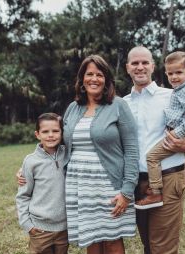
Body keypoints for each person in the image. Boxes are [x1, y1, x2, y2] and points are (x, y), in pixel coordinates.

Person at [19, 55, 140, 254]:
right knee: (91, 239)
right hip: (80, 187)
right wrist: (28, 164)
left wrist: (127, 191)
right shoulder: (73, 109)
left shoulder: (118, 106)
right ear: (82, 79)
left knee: (112, 240)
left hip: (110, 187)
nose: (94, 79)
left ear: (107, 79)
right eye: (89, 74)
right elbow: (57, 143)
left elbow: (132, 150)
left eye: (99, 74)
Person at [124, 46, 185, 254]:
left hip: (168, 180)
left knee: (163, 248)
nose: (140, 67)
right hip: (137, 183)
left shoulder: (172, 95)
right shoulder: (122, 104)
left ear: (152, 66)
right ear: (127, 68)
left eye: (145, 62)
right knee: (148, 245)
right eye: (135, 63)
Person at [135, 51, 185, 210]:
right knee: (181, 154)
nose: (174, 77)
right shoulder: (180, 89)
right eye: (170, 73)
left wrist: (177, 133)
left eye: (179, 72)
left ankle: (155, 192)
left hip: (179, 131)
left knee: (152, 157)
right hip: (179, 129)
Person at [16, 112, 69, 254]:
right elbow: (23, 195)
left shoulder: (68, 154)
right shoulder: (31, 161)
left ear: (62, 133)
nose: (50, 135)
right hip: (39, 229)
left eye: (55, 131)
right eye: (45, 131)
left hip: (64, 227)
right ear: (37, 134)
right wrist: (27, 224)